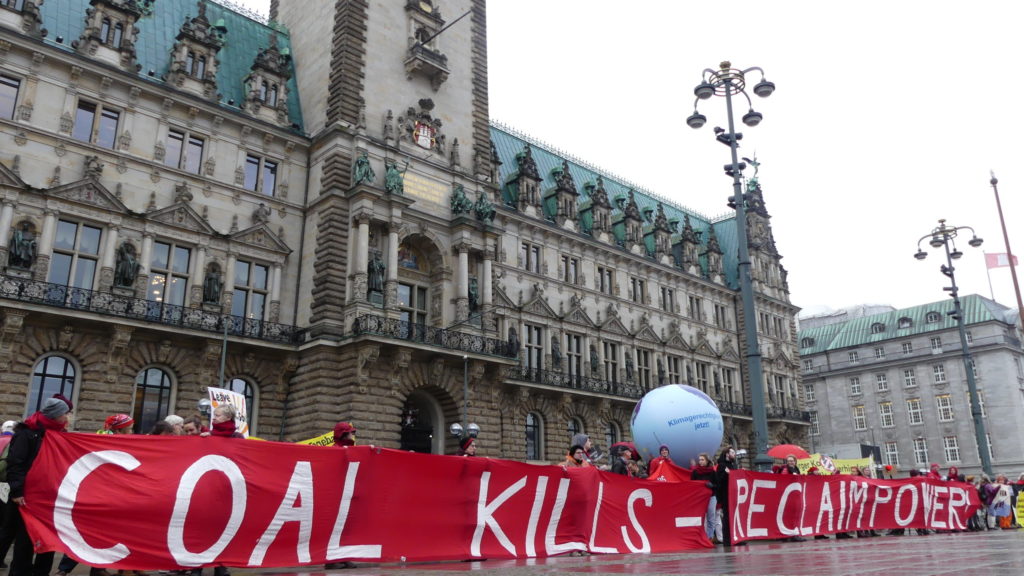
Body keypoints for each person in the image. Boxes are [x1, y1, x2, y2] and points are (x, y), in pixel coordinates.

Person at [5, 395, 72, 576]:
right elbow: (16, 463)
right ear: (55, 415)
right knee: (25, 538)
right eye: (65, 413)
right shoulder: (27, 433)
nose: (67, 417)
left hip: (50, 496)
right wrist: (17, 491)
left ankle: (41, 572)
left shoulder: (60, 434)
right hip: (27, 495)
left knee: (49, 537)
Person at [715, 446, 744, 546]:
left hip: (734, 495)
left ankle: (736, 537)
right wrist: (726, 474)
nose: (734, 454)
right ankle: (727, 540)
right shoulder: (721, 466)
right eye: (732, 452)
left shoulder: (732, 465)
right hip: (726, 496)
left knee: (735, 516)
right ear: (727, 454)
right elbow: (719, 481)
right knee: (727, 517)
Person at [689, 453, 717, 542]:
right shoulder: (695, 472)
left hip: (711, 497)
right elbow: (692, 485)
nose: (700, 461)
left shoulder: (712, 472)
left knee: (711, 517)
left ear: (707, 461)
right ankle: (701, 537)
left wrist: (712, 485)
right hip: (700, 498)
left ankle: (709, 537)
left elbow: (717, 484)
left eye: (702, 459)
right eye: (699, 460)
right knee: (700, 517)